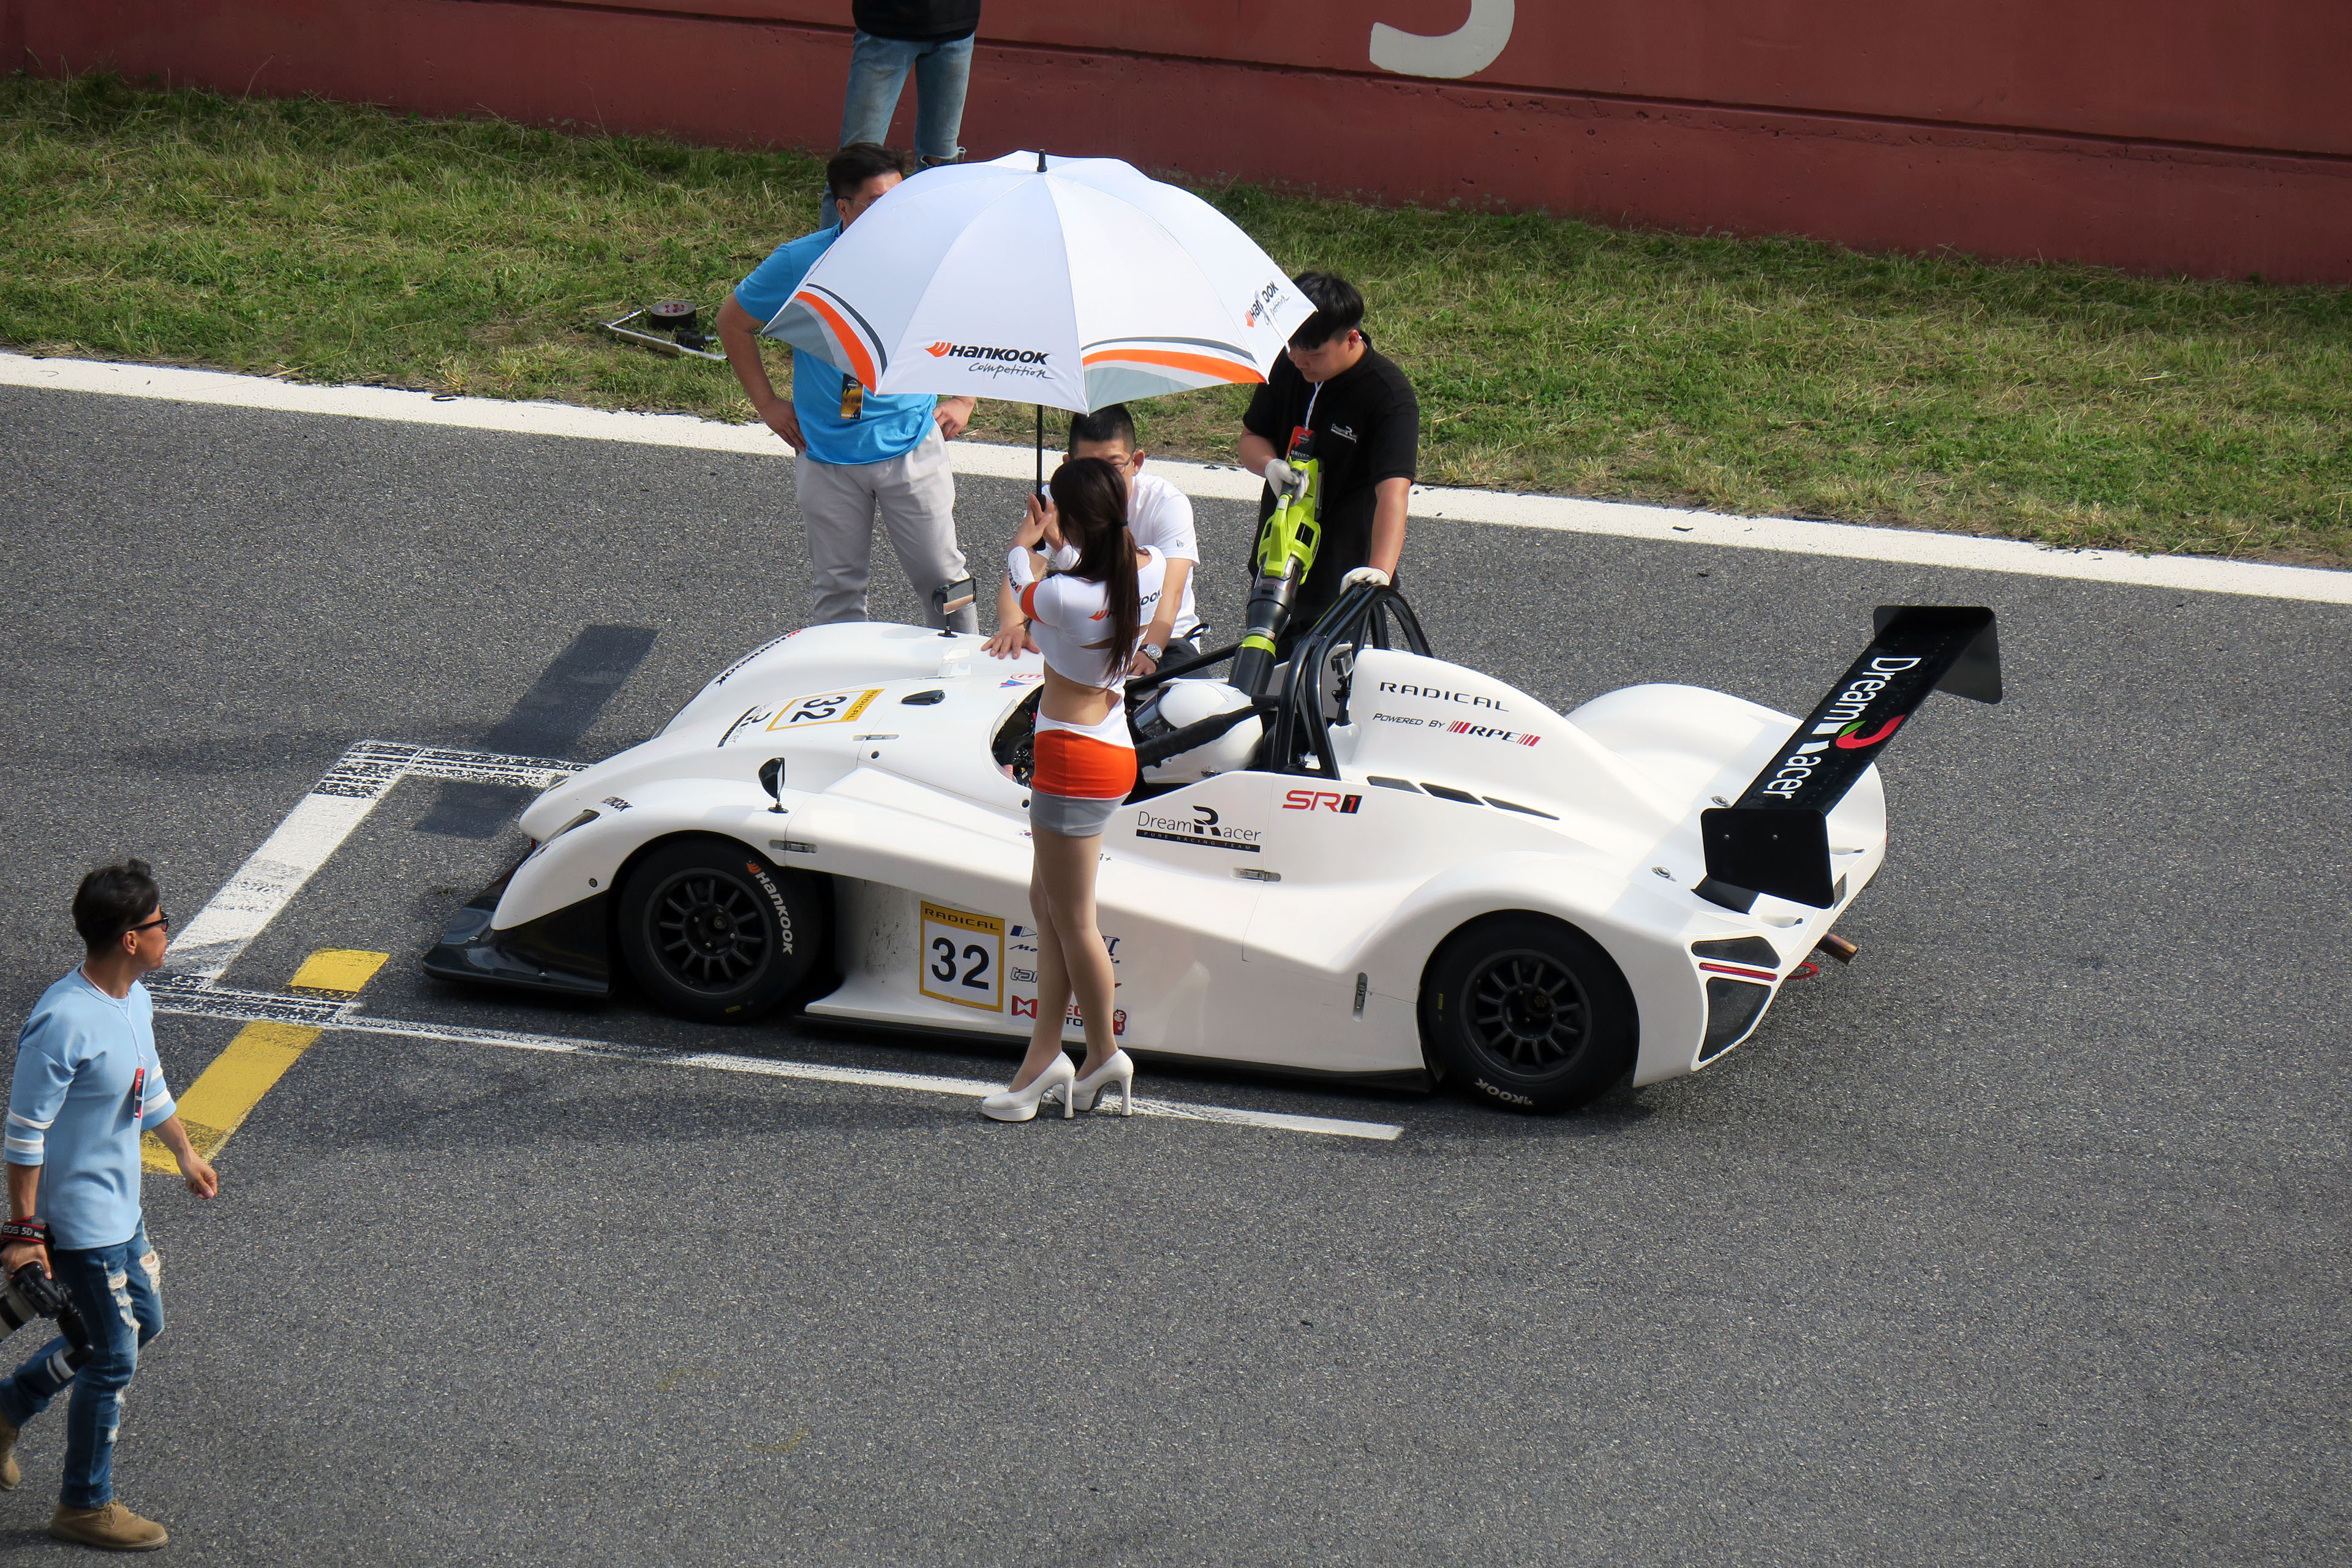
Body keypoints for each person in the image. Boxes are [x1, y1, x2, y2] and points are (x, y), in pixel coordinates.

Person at [0, 859, 217, 1553]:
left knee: (140, 1324)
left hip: (123, 1210)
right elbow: (24, 1133)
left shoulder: (133, 999)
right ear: (130, 938)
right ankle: (84, 1505)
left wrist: (184, 1152)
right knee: (111, 1357)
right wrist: (24, 1232)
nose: (167, 932)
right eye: (159, 922)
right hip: (80, 1224)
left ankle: (8, 1406)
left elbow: (146, 1084)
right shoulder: (63, 1021)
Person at [717, 143, 980, 632]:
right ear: (843, 208)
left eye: (901, 200)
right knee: (837, 591)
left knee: (947, 580)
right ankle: (840, 676)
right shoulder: (799, 262)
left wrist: (965, 398)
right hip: (827, 456)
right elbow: (732, 322)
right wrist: (767, 404)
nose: (895, 214)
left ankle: (964, 662)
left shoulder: (929, 257)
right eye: (878, 203)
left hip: (911, 446)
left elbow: (966, 319)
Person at [979, 458, 1163, 1123]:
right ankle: (1046, 1054)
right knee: (1049, 905)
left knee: (1074, 919)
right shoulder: (1146, 567)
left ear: (1076, 519)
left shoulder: (1062, 595)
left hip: (1070, 759)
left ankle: (1103, 1053)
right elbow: (1086, 579)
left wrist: (1025, 540)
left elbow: (1022, 584)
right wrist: (1062, 543)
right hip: (1110, 744)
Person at [1237, 271, 1421, 640]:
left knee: (1327, 673)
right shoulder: (1287, 366)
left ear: (1351, 339)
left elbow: (1393, 492)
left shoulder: (1388, 396)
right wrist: (1270, 465)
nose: (1300, 362)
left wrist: (1379, 573)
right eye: (1292, 349)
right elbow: (1251, 438)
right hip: (1278, 561)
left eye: (1314, 355)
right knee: (1262, 663)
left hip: (1343, 578)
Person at [984, 404, 1200, 673]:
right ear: (1068, 465)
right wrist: (1013, 625)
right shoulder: (1055, 498)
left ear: (1136, 462)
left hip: (1163, 639)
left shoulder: (1167, 504)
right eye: (1089, 467)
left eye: (1114, 465)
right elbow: (1032, 564)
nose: (1103, 478)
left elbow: (1172, 593)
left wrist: (1150, 651)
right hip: (1086, 635)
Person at [819, 1, 981, 227]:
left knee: (941, 165)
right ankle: (829, 249)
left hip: (956, 25)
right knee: (852, 167)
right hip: (886, 25)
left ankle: (923, 247)